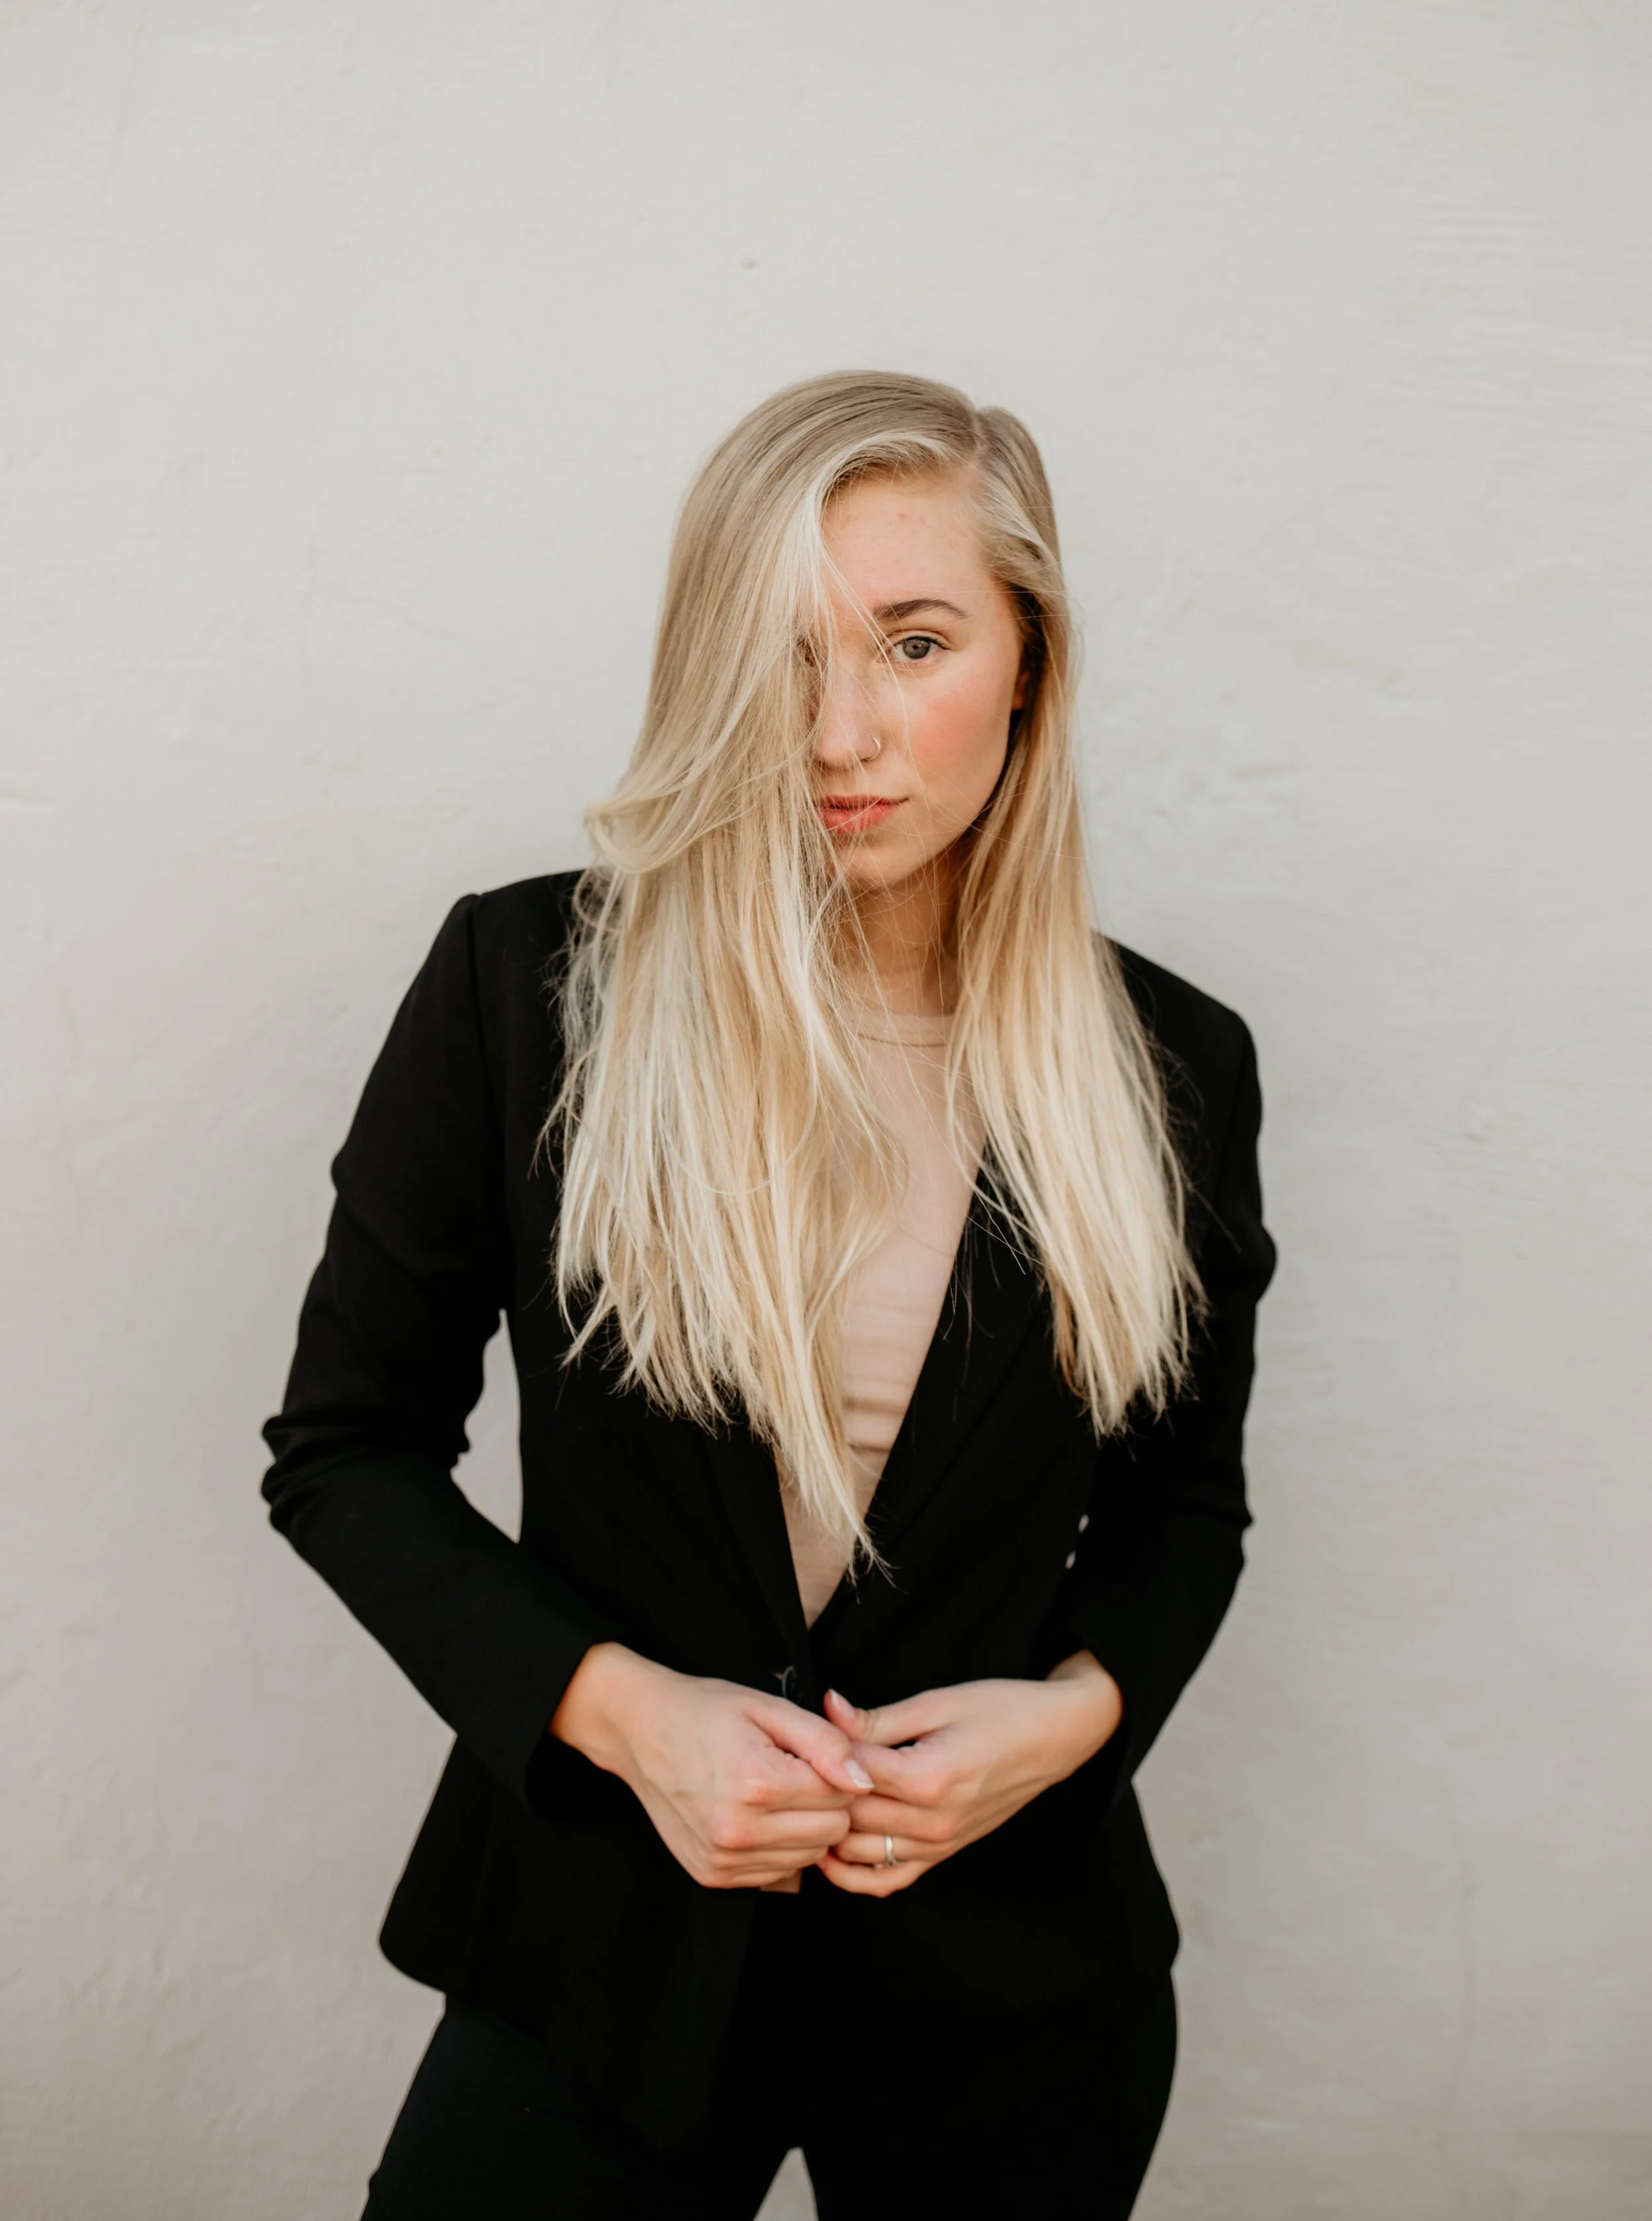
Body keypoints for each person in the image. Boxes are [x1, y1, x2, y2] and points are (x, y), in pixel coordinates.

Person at [262, 370, 1276, 2219]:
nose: (839, 732)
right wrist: (624, 1717)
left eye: (914, 643)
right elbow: (346, 1450)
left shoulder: (1174, 1068)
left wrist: (1069, 1720)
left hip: (1008, 1986)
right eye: (783, 654)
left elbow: (1181, 1512)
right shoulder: (524, 989)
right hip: (600, 1959)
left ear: (1030, 662)